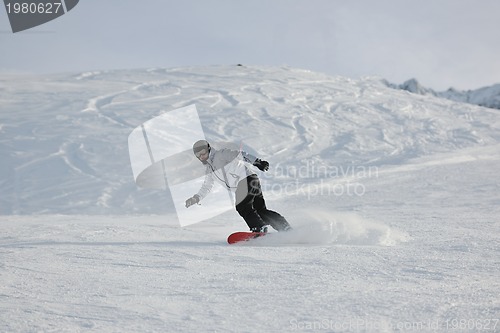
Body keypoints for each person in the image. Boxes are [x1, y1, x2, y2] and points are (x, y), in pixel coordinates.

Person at [185, 140, 291, 233]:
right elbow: (206, 186)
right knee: (260, 210)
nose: (201, 156)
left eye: (203, 152)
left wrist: (257, 162)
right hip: (250, 181)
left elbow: (240, 155)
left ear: (208, 149)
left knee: (242, 206)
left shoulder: (221, 154)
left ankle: (258, 228)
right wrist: (196, 198)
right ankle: (284, 227)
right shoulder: (209, 170)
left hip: (246, 179)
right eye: (198, 155)